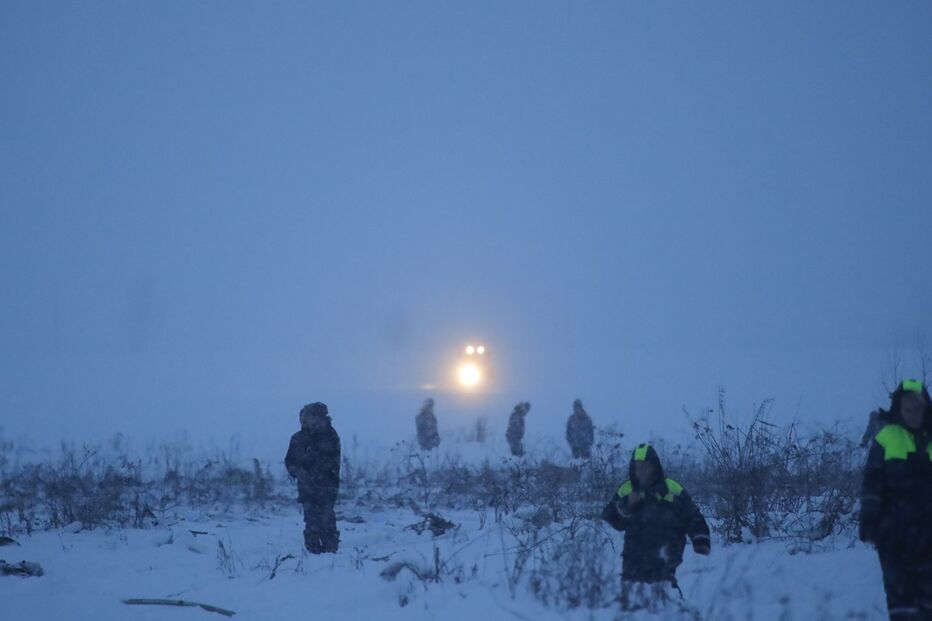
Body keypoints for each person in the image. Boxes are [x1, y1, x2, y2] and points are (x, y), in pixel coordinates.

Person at [601, 443, 711, 610]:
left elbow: (692, 516)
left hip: (665, 555)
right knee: (632, 603)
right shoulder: (627, 489)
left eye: (644, 466)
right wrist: (626, 504)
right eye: (637, 466)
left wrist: (700, 539)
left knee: (664, 600)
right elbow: (609, 516)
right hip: (633, 557)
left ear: (654, 466)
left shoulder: (671, 488)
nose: (640, 471)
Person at [859, 379, 932, 620]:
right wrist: (869, 517)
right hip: (894, 535)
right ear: (899, 410)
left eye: (918, 408)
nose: (913, 414)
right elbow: (872, 481)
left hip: (928, 535)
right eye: (907, 409)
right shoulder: (886, 438)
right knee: (902, 603)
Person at [285, 402, 341, 554]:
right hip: (306, 488)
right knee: (311, 521)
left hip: (326, 487)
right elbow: (289, 460)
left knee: (327, 519)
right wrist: (297, 471)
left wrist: (308, 466)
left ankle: (331, 552)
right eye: (302, 417)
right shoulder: (297, 438)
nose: (303, 420)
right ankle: (313, 552)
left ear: (318, 417)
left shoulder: (329, 435)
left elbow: (329, 461)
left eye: (307, 416)